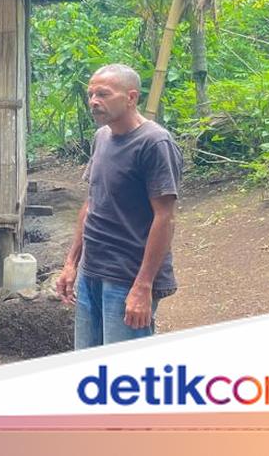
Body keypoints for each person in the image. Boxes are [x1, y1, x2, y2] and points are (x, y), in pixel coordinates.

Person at [56, 64, 183, 349]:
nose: (93, 101)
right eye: (90, 94)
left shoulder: (154, 143)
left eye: (103, 94)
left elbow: (165, 218)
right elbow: (91, 202)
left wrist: (143, 286)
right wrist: (71, 263)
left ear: (131, 97)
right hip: (93, 271)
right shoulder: (102, 137)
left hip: (128, 276)